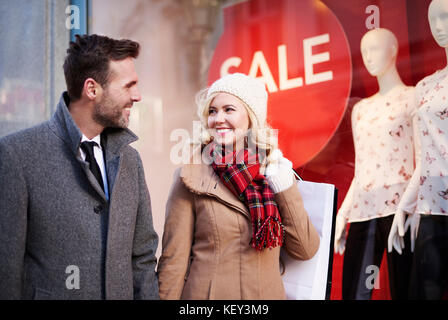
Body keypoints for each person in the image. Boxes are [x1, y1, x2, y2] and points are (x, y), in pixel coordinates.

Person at [0, 34, 159, 299]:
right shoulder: (16, 155)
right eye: (129, 85)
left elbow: (142, 259)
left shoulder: (131, 161)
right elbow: (6, 270)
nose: (138, 96)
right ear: (92, 89)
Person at [157, 73, 320, 300]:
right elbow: (173, 262)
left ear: (251, 117)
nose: (218, 119)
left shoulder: (274, 172)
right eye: (212, 111)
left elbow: (304, 249)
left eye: (229, 109)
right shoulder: (190, 176)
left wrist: (284, 186)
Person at [334, 28, 414, 299]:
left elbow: (422, 159)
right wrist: (343, 214)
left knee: (405, 287)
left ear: (393, 50)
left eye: (375, 48)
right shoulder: (361, 110)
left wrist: (413, 207)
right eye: (364, 50)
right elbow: (362, 165)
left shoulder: (413, 97)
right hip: (364, 211)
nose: (368, 57)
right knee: (355, 292)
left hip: (401, 208)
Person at [389, 0, 448, 299]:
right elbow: (426, 156)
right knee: (425, 291)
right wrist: (404, 205)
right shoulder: (425, 87)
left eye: (445, 17)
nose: (438, 26)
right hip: (432, 209)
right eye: (433, 19)